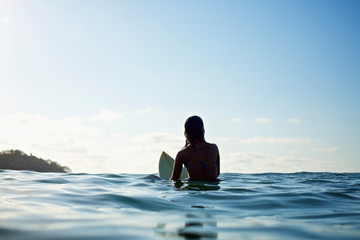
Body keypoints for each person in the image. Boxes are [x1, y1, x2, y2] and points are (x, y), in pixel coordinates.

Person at [171, 116, 220, 181]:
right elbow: (217, 173)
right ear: (203, 130)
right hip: (213, 187)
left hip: (194, 188)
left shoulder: (182, 154)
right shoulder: (214, 148)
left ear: (186, 133)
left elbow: (175, 179)